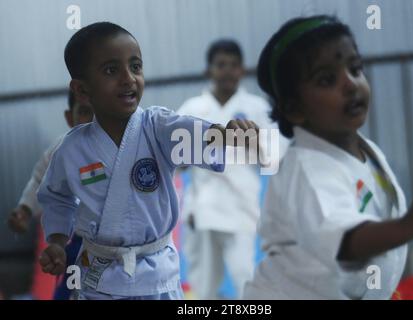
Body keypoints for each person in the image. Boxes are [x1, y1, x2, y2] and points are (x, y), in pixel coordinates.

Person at [37, 22, 260, 300]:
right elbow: (57, 198)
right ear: (82, 90)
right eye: (111, 70)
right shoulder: (71, 150)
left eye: (136, 67)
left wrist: (225, 134)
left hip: (157, 277)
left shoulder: (158, 127)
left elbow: (190, 132)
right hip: (99, 277)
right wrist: (57, 241)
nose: (128, 78)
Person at [243, 15, 413, 299]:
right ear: (295, 109)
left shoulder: (367, 152)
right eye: (327, 79)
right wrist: (407, 226)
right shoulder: (308, 169)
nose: (350, 84)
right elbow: (347, 241)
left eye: (355, 69)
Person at [177, 39, 287, 299]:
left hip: (241, 207)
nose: (227, 71)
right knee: (203, 285)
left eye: (233, 65)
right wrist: (196, 147)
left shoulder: (256, 109)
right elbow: (175, 160)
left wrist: (253, 142)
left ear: (242, 70)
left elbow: (275, 157)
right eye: (220, 65)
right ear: (209, 71)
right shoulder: (192, 109)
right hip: (201, 209)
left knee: (244, 278)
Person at [8, 91, 93, 300]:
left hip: (116, 244)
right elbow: (40, 180)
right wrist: (25, 210)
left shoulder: (122, 145)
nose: (92, 120)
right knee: (68, 289)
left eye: (98, 111)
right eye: (84, 112)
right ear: (69, 117)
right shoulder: (61, 150)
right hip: (76, 240)